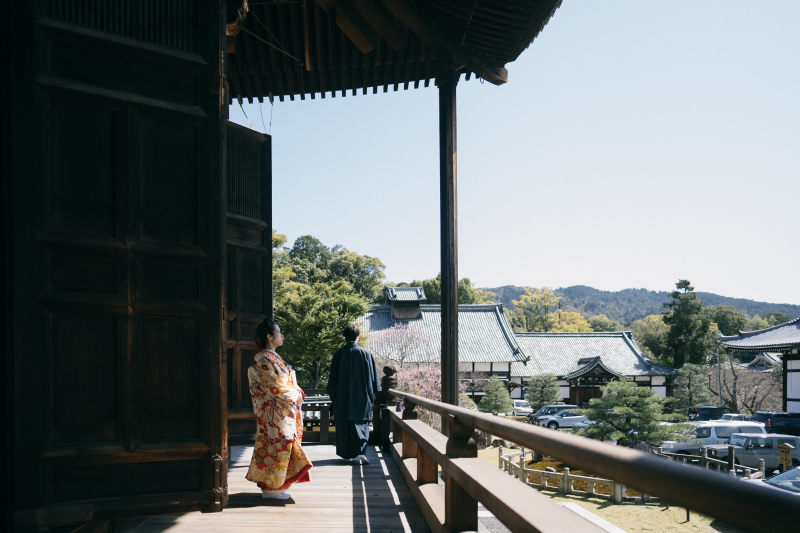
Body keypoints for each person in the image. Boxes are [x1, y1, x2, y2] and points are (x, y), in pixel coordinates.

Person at [245, 319, 312, 499]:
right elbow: (275, 386)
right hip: (274, 413)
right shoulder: (264, 359)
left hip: (280, 412)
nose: (282, 335)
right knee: (276, 448)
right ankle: (270, 489)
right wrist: (294, 389)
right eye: (279, 332)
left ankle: (276, 486)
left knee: (280, 447)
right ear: (269, 336)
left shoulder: (271, 358)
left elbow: (283, 381)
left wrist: (292, 380)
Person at [327, 324, 380, 464]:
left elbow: (332, 379)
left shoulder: (338, 354)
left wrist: (334, 396)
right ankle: (361, 453)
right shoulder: (365, 353)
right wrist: (372, 395)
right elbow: (373, 379)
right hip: (361, 396)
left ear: (345, 337)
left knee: (344, 425)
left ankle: (347, 455)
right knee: (361, 423)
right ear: (358, 336)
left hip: (342, 397)